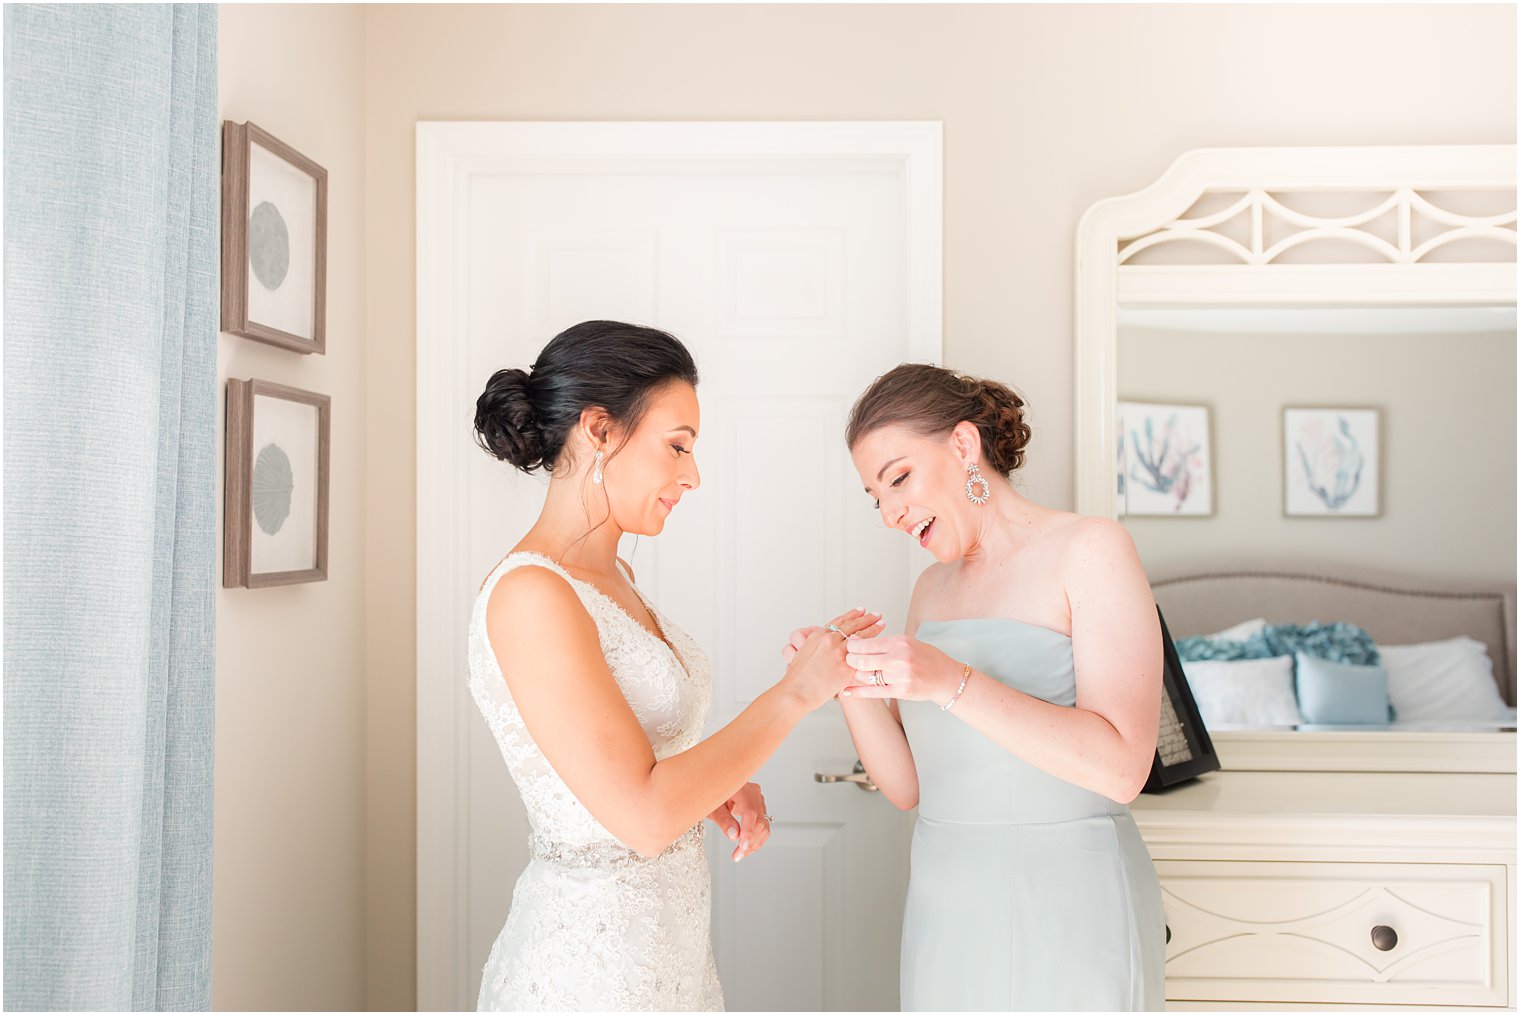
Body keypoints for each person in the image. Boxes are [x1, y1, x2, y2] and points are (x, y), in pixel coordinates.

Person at [468, 320, 879, 1011]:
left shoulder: (615, 575)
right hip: (591, 977)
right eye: (677, 446)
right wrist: (795, 694)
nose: (692, 474)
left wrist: (712, 786)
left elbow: (626, 764)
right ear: (598, 430)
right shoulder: (531, 595)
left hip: (670, 964)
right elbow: (643, 815)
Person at [784, 363, 1166, 1011]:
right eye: (876, 496)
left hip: (1072, 899)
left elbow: (1123, 766)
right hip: (949, 904)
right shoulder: (930, 592)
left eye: (899, 478)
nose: (890, 512)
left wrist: (952, 681)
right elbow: (908, 786)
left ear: (964, 446)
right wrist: (847, 683)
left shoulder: (1090, 548)